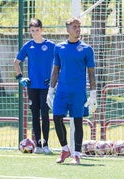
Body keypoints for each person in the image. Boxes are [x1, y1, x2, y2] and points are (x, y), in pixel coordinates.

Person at [46, 17, 97, 165]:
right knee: (56, 118)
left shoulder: (87, 49)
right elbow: (55, 70)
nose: (78, 29)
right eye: (74, 27)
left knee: (78, 122)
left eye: (79, 26)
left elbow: (91, 72)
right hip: (61, 91)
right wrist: (50, 91)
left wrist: (93, 94)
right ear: (67, 29)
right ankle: (64, 149)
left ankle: (76, 154)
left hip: (78, 92)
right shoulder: (59, 47)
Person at [13, 18, 55, 155]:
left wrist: (56, 79)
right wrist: (20, 78)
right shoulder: (28, 46)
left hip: (46, 87)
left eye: (37, 30)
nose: (35, 33)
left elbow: (59, 63)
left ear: (42, 30)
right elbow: (16, 62)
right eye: (32, 30)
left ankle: (46, 144)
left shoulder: (51, 46)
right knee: (35, 115)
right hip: (32, 86)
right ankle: (37, 145)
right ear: (29, 31)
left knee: (45, 114)